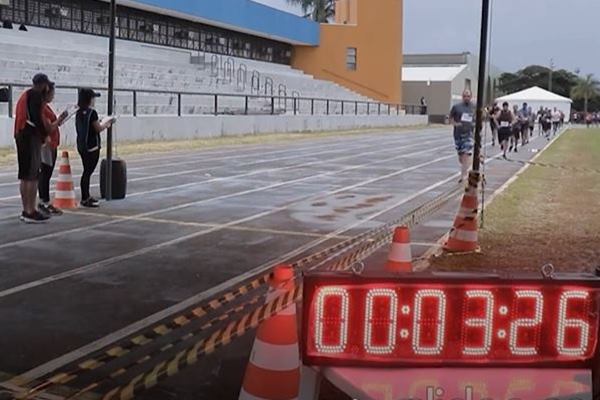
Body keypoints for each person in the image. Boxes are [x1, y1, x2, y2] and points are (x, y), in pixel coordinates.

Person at [14, 74, 64, 223]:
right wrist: (45, 135)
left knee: (25, 175)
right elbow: (39, 121)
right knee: (32, 175)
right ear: (43, 85)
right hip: (29, 136)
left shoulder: (27, 96)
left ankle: (27, 209)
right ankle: (30, 211)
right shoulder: (35, 96)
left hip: (22, 135)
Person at [75, 88, 115, 207]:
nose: (94, 100)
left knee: (86, 171)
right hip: (92, 146)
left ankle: (86, 196)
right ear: (89, 99)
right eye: (93, 98)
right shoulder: (92, 113)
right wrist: (106, 124)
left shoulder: (79, 112)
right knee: (88, 172)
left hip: (82, 145)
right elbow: (97, 128)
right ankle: (85, 197)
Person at [38, 82, 67, 216]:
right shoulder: (42, 108)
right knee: (45, 173)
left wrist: (59, 121)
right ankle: (43, 201)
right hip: (47, 145)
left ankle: (45, 201)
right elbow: (48, 127)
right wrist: (59, 119)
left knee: (46, 173)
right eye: (52, 93)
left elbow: (52, 125)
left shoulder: (46, 107)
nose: (53, 96)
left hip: (52, 143)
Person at [449, 90, 475, 183]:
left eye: (468, 96)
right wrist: (456, 124)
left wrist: (474, 124)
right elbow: (450, 119)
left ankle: (463, 175)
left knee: (466, 154)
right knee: (461, 157)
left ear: (471, 97)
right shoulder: (456, 107)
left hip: (469, 134)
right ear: (462, 97)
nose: (466, 98)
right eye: (465, 96)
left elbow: (479, 118)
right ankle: (466, 166)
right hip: (458, 134)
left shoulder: (474, 107)